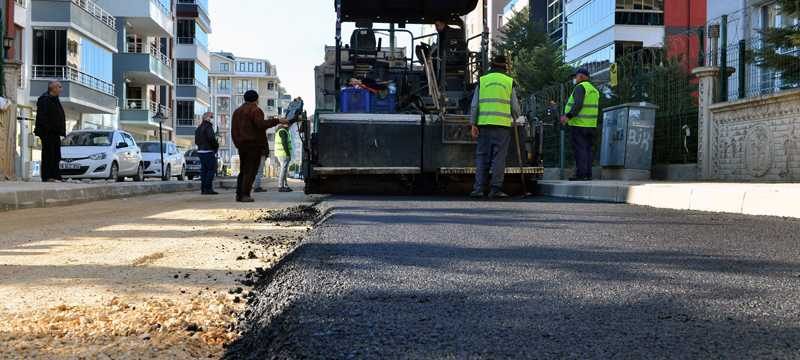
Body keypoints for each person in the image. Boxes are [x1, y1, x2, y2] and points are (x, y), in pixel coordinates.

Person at [469, 55, 522, 199]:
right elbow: (515, 107)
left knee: (482, 157)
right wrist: (516, 116)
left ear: (491, 65)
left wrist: (473, 123)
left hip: (484, 124)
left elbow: (474, 105)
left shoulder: (483, 80)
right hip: (502, 127)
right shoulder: (508, 81)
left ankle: (479, 189)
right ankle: (495, 189)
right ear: (505, 67)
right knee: (499, 158)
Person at [231, 90, 286, 202]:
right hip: (254, 145)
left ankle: (239, 194)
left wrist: (237, 143)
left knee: (243, 170)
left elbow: (234, 130)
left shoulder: (237, 111)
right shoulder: (255, 110)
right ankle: (245, 195)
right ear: (256, 99)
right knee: (251, 171)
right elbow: (261, 124)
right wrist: (277, 121)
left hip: (242, 145)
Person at [560, 68, 600, 181]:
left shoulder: (580, 87)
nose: (575, 79)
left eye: (576, 76)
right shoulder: (594, 90)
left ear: (581, 77)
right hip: (591, 125)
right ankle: (588, 174)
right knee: (588, 150)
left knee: (580, 149)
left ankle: (581, 174)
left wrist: (567, 117)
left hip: (579, 125)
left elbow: (578, 104)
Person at [34, 81, 67, 182]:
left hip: (55, 132)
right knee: (48, 154)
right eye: (59, 87)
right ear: (53, 88)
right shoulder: (45, 99)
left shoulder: (55, 99)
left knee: (56, 155)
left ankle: (56, 175)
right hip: (47, 132)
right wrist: (49, 128)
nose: (61, 89)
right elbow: (42, 117)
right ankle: (47, 176)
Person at [195, 112, 219, 195]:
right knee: (211, 170)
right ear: (207, 118)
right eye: (211, 117)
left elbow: (196, 141)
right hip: (208, 151)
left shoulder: (199, 127)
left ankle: (203, 189)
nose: (212, 119)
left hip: (200, 151)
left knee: (204, 170)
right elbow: (211, 138)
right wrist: (216, 146)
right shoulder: (208, 126)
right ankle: (208, 189)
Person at [275, 123, 293, 192]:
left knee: (284, 170)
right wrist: (288, 154)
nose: (290, 126)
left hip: (282, 154)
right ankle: (280, 186)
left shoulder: (282, 130)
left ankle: (285, 185)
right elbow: (284, 143)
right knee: (283, 170)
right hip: (283, 154)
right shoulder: (283, 131)